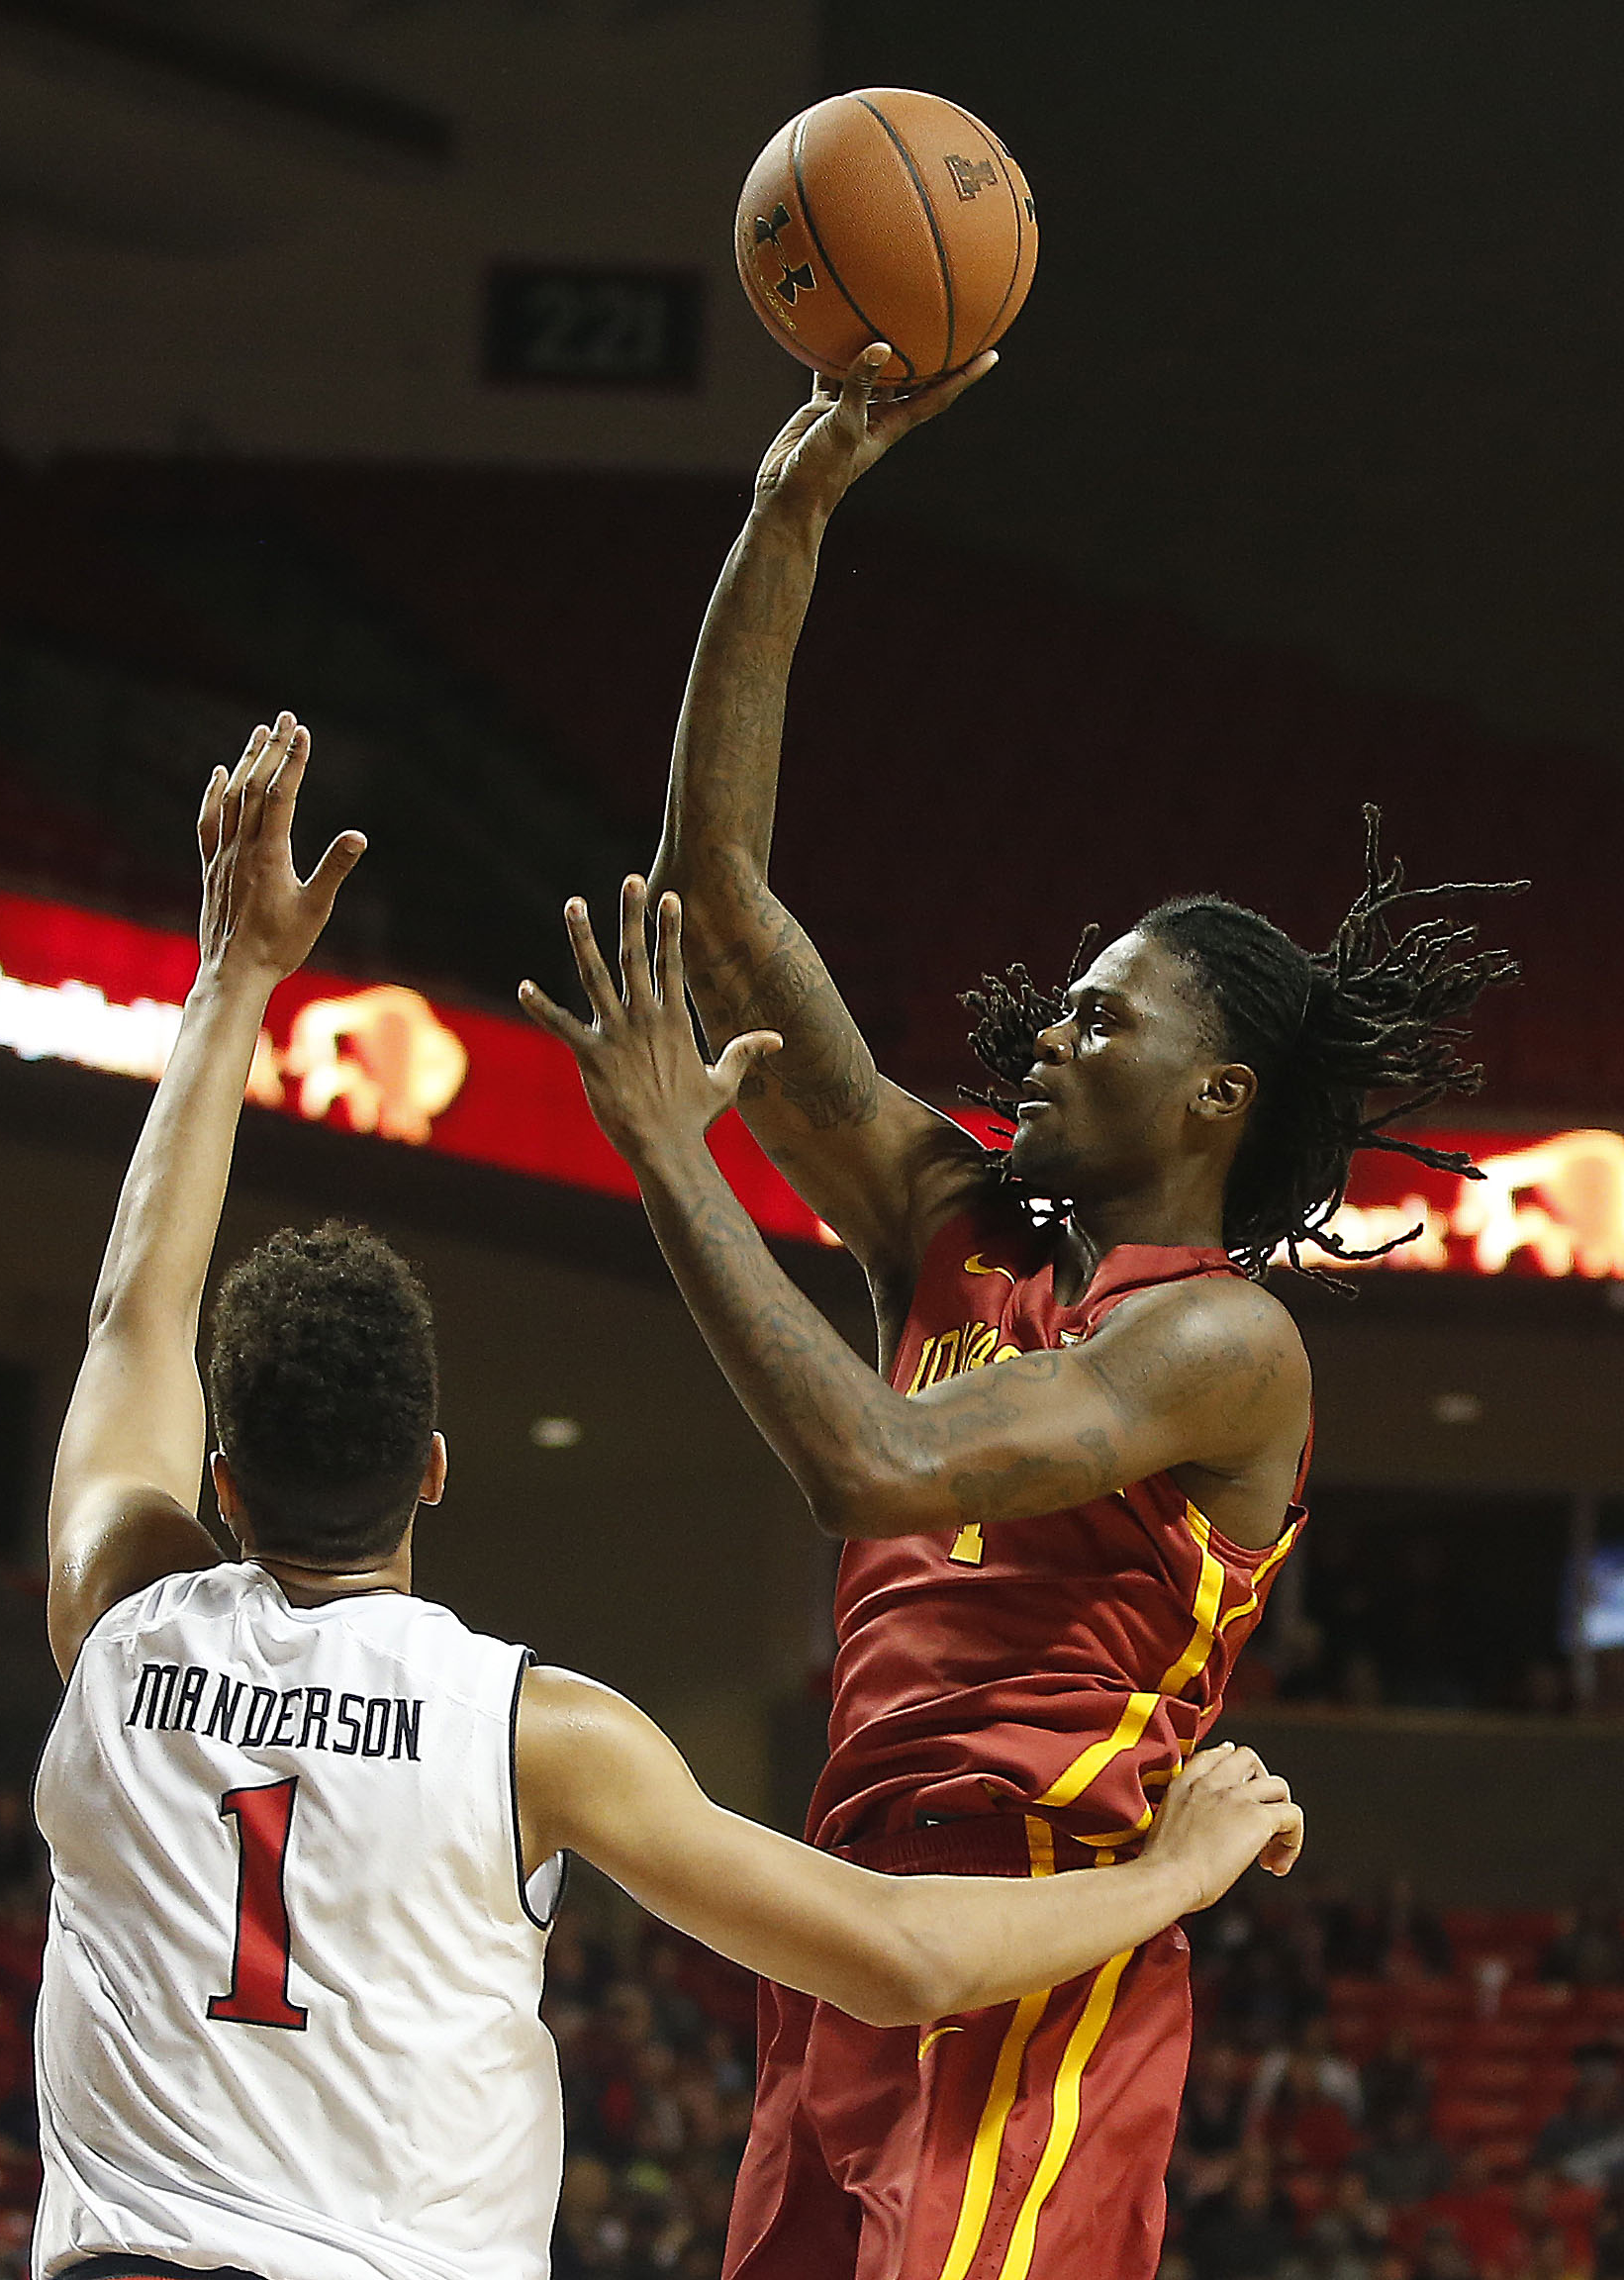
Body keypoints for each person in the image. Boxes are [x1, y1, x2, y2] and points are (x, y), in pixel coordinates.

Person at [30, 715, 1306, 2280]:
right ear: (435, 1466)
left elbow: (129, 1325)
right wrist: (1182, 1874)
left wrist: (231, 982)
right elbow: (905, 1955)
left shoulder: (116, 1635)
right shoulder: (535, 1732)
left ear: (218, 1479)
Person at [518, 347, 1519, 2279]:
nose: (1054, 1022)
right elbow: (716, 896)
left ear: (1218, 1099)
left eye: (1106, 1010)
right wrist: (784, 520)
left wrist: (669, 1153)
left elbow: (869, 1460)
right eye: (1066, 993)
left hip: (1040, 1926)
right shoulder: (970, 1216)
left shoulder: (1222, 1339)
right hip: (844, 1911)